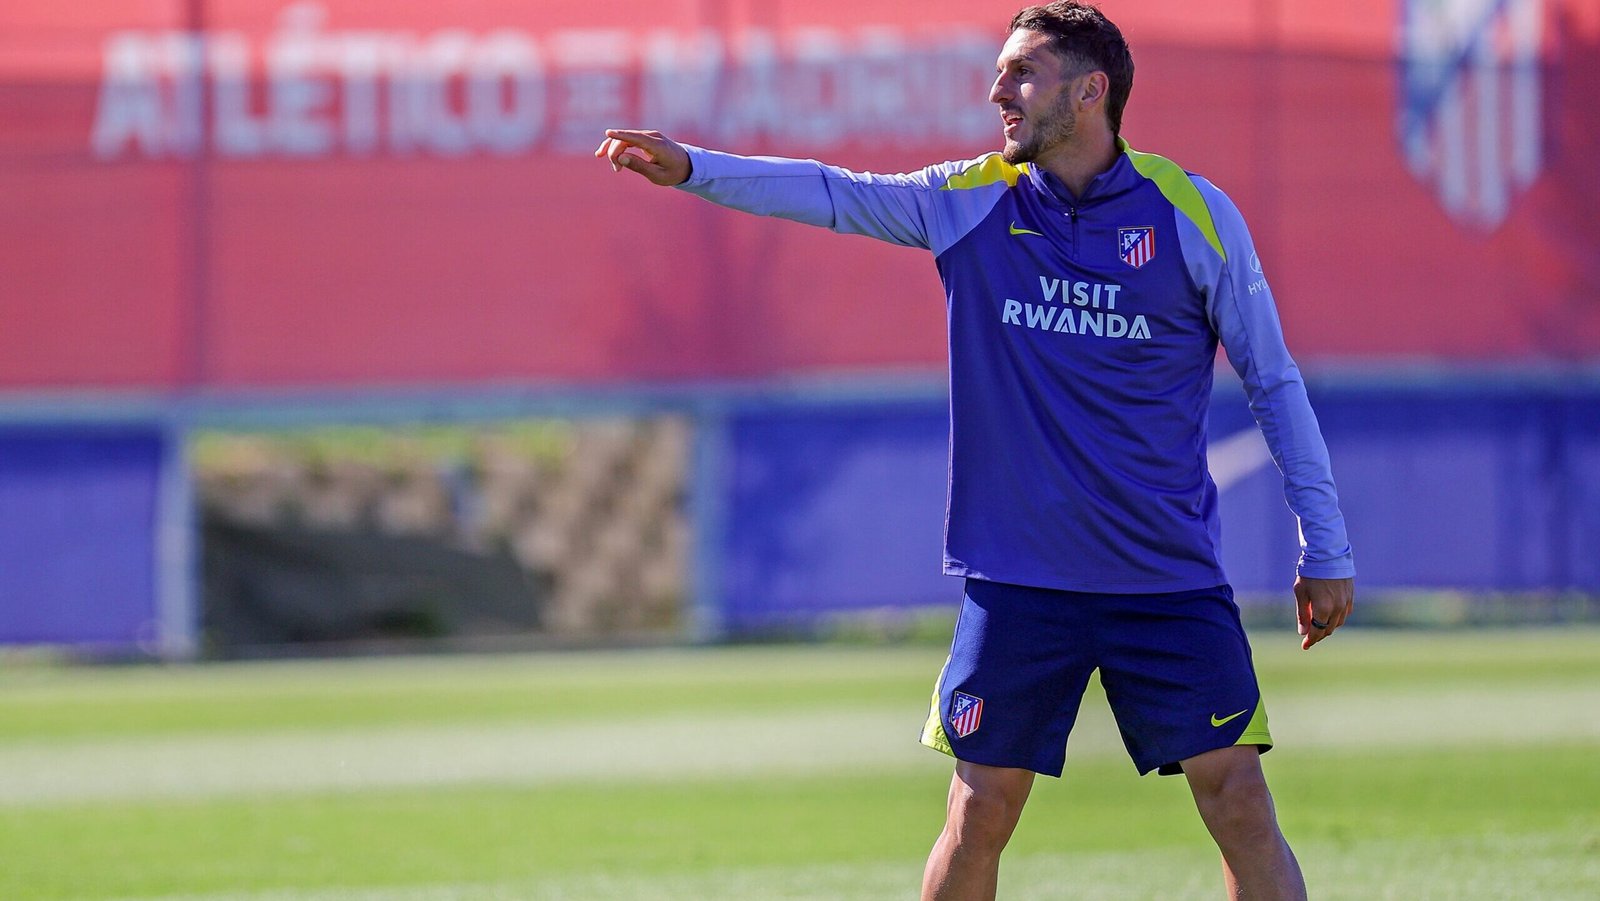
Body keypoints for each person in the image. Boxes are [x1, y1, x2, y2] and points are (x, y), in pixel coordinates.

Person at [597, 2, 1355, 898]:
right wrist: (694, 170)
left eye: (1022, 73)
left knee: (1238, 797)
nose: (998, 89)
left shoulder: (1194, 214)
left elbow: (1274, 382)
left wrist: (1326, 544)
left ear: (1089, 91)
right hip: (1022, 582)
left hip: (1166, 579)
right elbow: (836, 193)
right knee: (980, 811)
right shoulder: (972, 200)